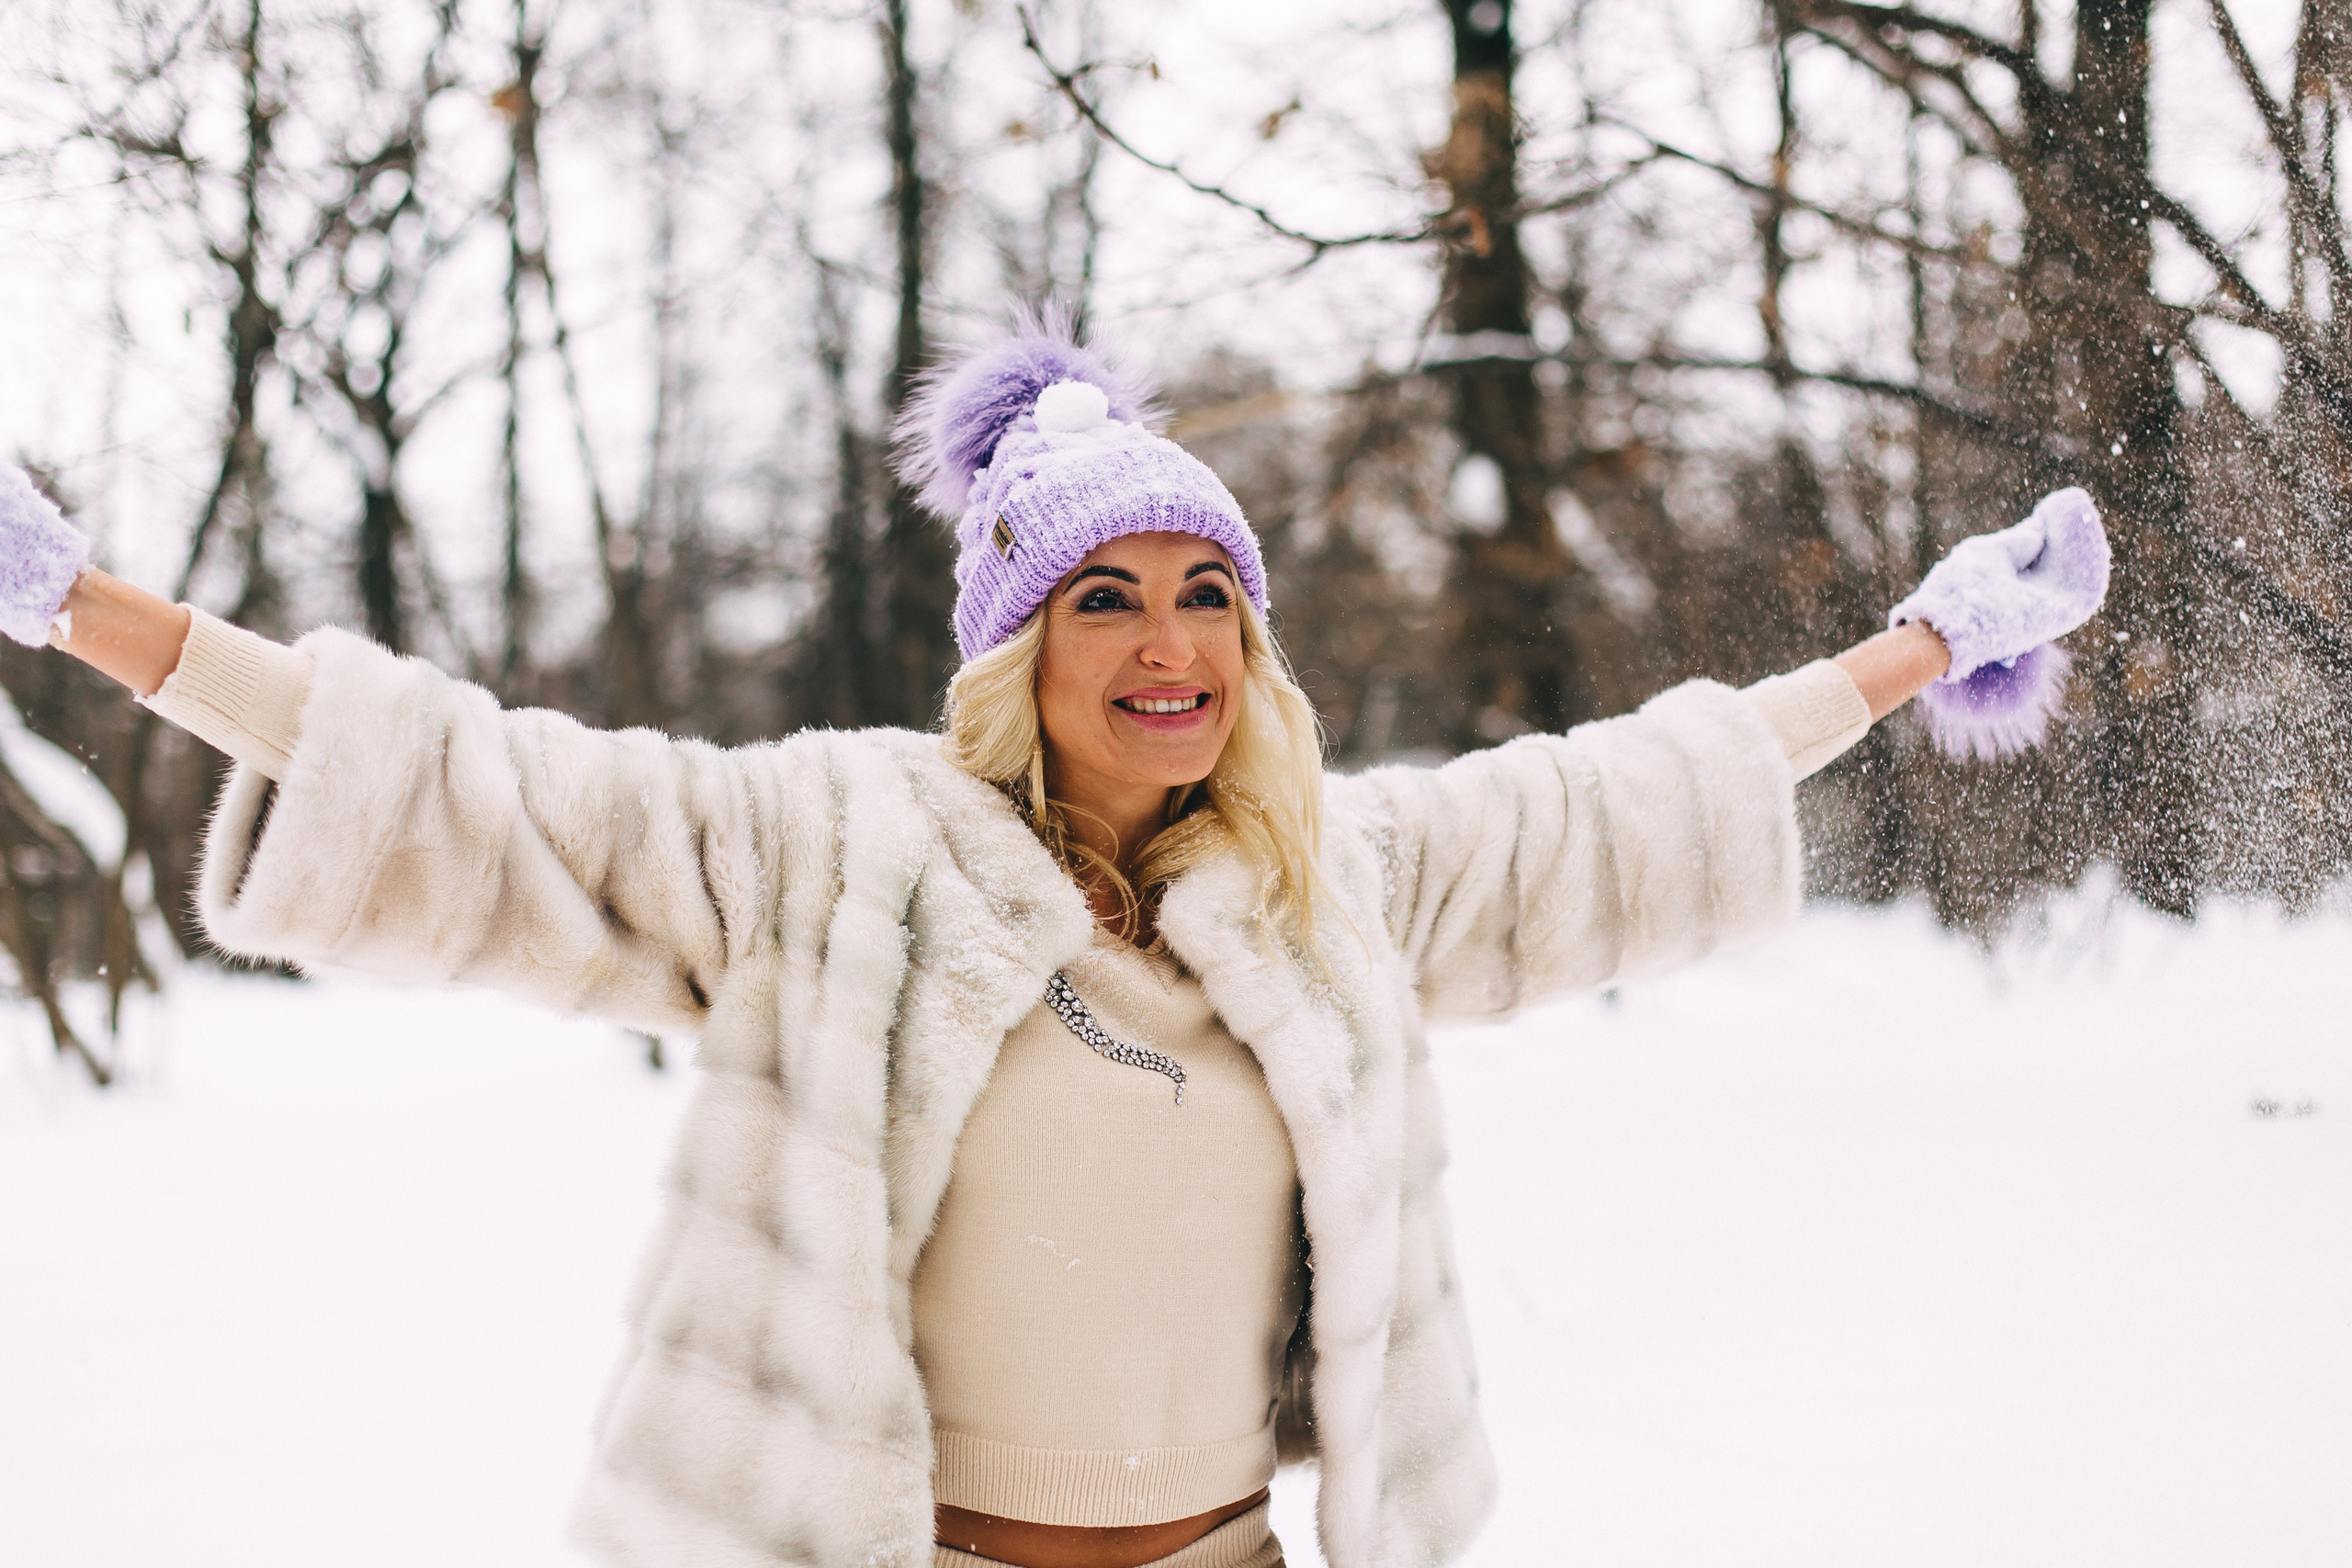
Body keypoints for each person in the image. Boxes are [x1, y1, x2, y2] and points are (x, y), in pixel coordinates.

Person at [0, 321, 2108, 1568]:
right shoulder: (826, 846)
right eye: (1105, 595)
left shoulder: (1322, 883)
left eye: (1210, 592)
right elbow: (474, 780)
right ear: (1016, 646)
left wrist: (1921, 645)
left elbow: (1615, 796)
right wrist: (77, 603)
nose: (1169, 640)